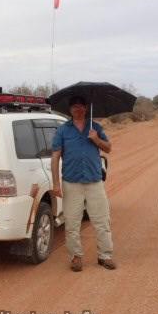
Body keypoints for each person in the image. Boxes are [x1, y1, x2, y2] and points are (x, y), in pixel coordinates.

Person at [51, 96, 116, 272]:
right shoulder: (63, 130)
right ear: (70, 109)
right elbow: (55, 156)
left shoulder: (96, 128)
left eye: (81, 106)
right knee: (72, 223)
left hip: (94, 182)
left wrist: (96, 139)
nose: (78, 109)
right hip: (71, 183)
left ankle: (105, 256)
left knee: (102, 221)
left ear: (86, 108)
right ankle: (76, 257)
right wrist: (56, 183)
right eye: (75, 107)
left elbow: (108, 148)